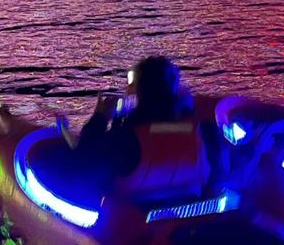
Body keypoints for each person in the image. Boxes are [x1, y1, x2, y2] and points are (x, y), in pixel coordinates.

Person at [74, 55, 223, 199]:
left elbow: (84, 161)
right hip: (189, 210)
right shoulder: (205, 131)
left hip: (131, 216)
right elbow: (217, 173)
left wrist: (100, 117)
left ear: (140, 91)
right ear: (175, 88)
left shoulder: (127, 139)